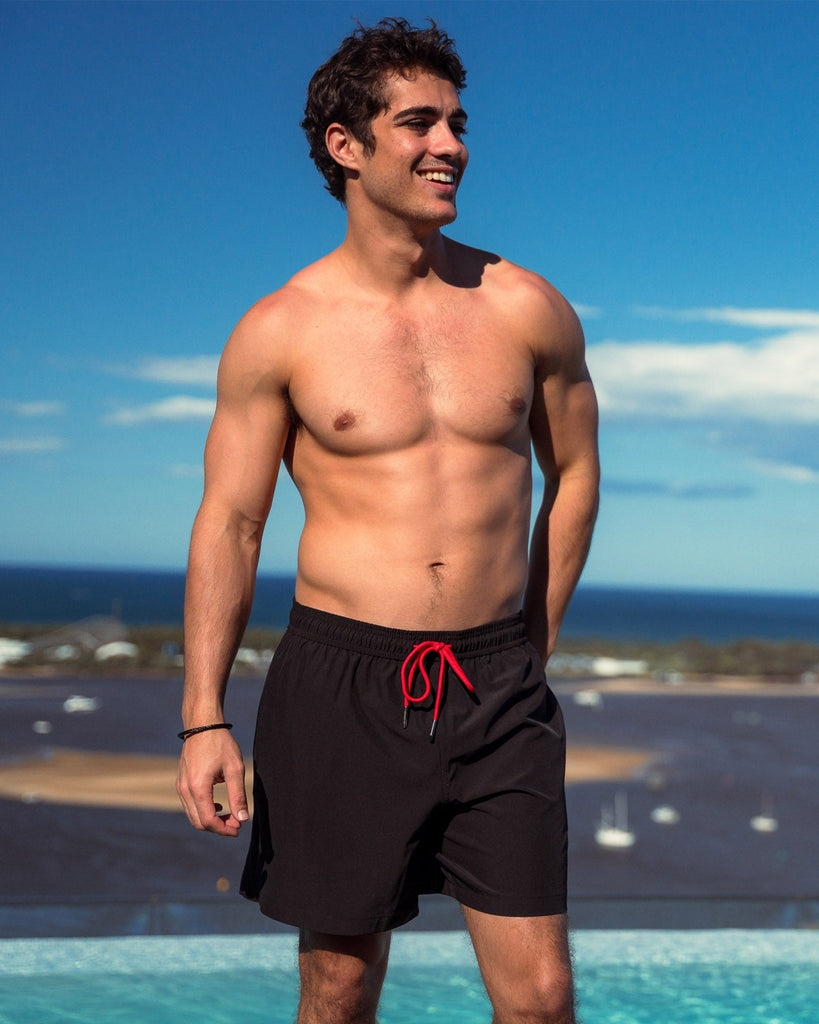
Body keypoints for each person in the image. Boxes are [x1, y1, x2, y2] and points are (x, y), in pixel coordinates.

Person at [176, 17, 599, 1024]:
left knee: (542, 997)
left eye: (458, 123)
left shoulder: (526, 306)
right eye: (419, 123)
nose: (450, 145)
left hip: (498, 686)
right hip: (342, 686)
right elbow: (231, 523)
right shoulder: (280, 329)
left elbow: (575, 473)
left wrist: (531, 647)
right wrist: (203, 716)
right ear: (347, 146)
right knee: (339, 985)